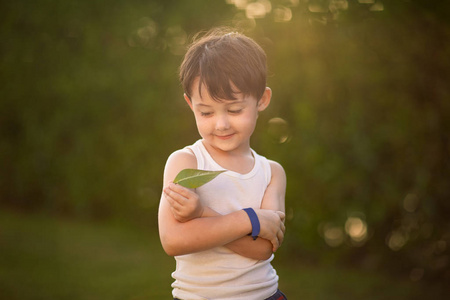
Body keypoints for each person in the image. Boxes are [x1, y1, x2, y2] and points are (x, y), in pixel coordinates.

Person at [158, 28, 287, 300]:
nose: (221, 124)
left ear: (262, 100)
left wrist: (202, 214)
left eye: (235, 109)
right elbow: (173, 240)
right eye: (205, 112)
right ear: (190, 104)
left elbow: (264, 248)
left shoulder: (271, 172)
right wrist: (248, 219)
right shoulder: (186, 162)